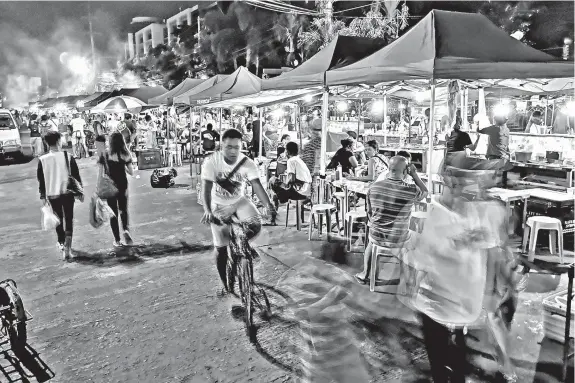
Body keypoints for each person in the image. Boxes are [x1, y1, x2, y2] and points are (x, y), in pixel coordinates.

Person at [200, 128, 275, 295]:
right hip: (217, 205)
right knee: (221, 248)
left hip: (239, 202)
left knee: (255, 224)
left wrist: (268, 205)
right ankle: (226, 284)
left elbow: (256, 185)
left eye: (237, 147)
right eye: (229, 147)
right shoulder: (211, 162)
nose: (233, 151)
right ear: (221, 146)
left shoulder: (247, 163)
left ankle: (241, 247)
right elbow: (206, 188)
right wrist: (207, 210)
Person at [354, 156, 427, 289]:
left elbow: (369, 213)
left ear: (389, 169)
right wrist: (414, 174)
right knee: (420, 238)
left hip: (376, 236)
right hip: (399, 238)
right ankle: (411, 279)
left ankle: (365, 274)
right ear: (405, 172)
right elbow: (425, 192)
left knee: (370, 242)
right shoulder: (411, 189)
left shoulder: (373, 187)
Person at [37, 131, 83, 261]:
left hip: (52, 194)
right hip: (67, 193)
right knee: (69, 218)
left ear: (46, 143)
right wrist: (80, 192)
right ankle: (68, 246)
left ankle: (61, 242)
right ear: (58, 141)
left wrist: (42, 197)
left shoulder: (42, 160)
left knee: (58, 219)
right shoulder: (67, 156)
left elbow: (41, 181)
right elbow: (76, 176)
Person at [99, 132, 134, 247]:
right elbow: (131, 172)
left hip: (110, 186)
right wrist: (122, 166)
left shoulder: (105, 154)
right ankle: (125, 230)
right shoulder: (126, 154)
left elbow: (101, 173)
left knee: (113, 212)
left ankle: (117, 240)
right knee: (123, 209)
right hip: (123, 184)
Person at [269, 142, 312, 209]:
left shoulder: (291, 161)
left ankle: (278, 204)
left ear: (287, 151)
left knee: (273, 180)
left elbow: (291, 179)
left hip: (300, 191)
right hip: (307, 189)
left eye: (285, 150)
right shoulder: (298, 159)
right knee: (278, 185)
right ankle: (280, 199)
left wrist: (283, 185)